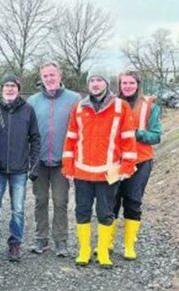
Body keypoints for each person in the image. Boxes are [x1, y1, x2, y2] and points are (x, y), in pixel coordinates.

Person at [62, 66, 137, 268]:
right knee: (82, 211)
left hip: (108, 172)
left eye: (99, 80)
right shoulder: (79, 107)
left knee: (105, 212)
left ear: (106, 83)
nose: (95, 84)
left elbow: (128, 139)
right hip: (82, 171)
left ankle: (103, 252)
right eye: (92, 80)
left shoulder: (121, 107)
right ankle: (84, 250)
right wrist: (68, 165)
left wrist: (127, 166)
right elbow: (71, 138)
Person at [26, 61, 80, 257]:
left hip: (62, 161)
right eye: (45, 76)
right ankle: (41, 238)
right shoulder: (32, 101)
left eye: (52, 75)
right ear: (41, 78)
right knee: (40, 200)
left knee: (60, 201)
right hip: (39, 161)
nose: (49, 79)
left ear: (60, 76)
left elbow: (80, 129)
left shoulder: (74, 99)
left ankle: (61, 240)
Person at [0, 73, 40, 262]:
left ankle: (15, 243)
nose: (9, 89)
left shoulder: (28, 110)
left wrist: (34, 164)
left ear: (18, 89)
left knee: (18, 209)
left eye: (13, 86)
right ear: (2, 89)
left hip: (19, 168)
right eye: (6, 85)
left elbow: (35, 138)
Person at [112, 70, 163, 260]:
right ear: (119, 85)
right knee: (111, 201)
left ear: (138, 85)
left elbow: (156, 136)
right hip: (115, 161)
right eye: (124, 83)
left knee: (133, 201)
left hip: (141, 161)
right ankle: (107, 242)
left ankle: (129, 246)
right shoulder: (112, 104)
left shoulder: (150, 106)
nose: (127, 86)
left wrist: (135, 133)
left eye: (131, 83)